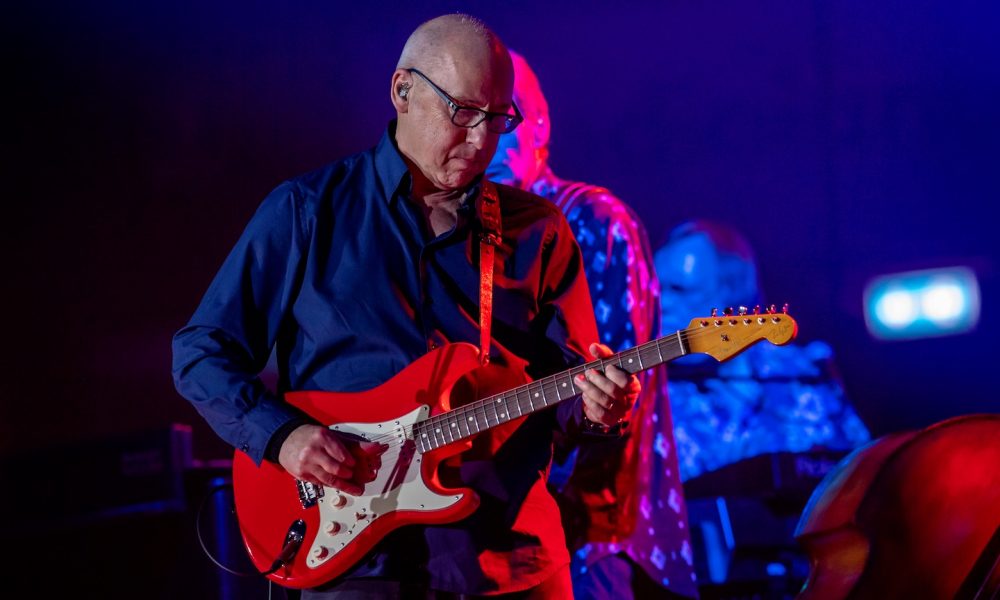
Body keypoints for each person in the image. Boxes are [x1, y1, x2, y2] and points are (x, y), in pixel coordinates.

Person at [171, 14, 640, 599]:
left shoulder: (537, 232)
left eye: (498, 120)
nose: (480, 141)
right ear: (403, 91)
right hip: (359, 564)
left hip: (510, 560)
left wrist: (599, 409)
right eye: (463, 112)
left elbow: (566, 398)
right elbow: (200, 353)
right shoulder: (307, 211)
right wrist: (283, 437)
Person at [487, 51, 699, 600]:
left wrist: (555, 505)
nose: (491, 138)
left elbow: (616, 384)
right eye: (473, 117)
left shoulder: (590, 218)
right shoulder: (476, 236)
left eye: (505, 118)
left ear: (538, 125)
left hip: (591, 535)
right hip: (503, 530)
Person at [653, 220, 871, 482]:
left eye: (680, 289)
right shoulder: (646, 392)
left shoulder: (803, 375)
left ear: (732, 292)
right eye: (655, 290)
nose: (661, 303)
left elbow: (861, 472)